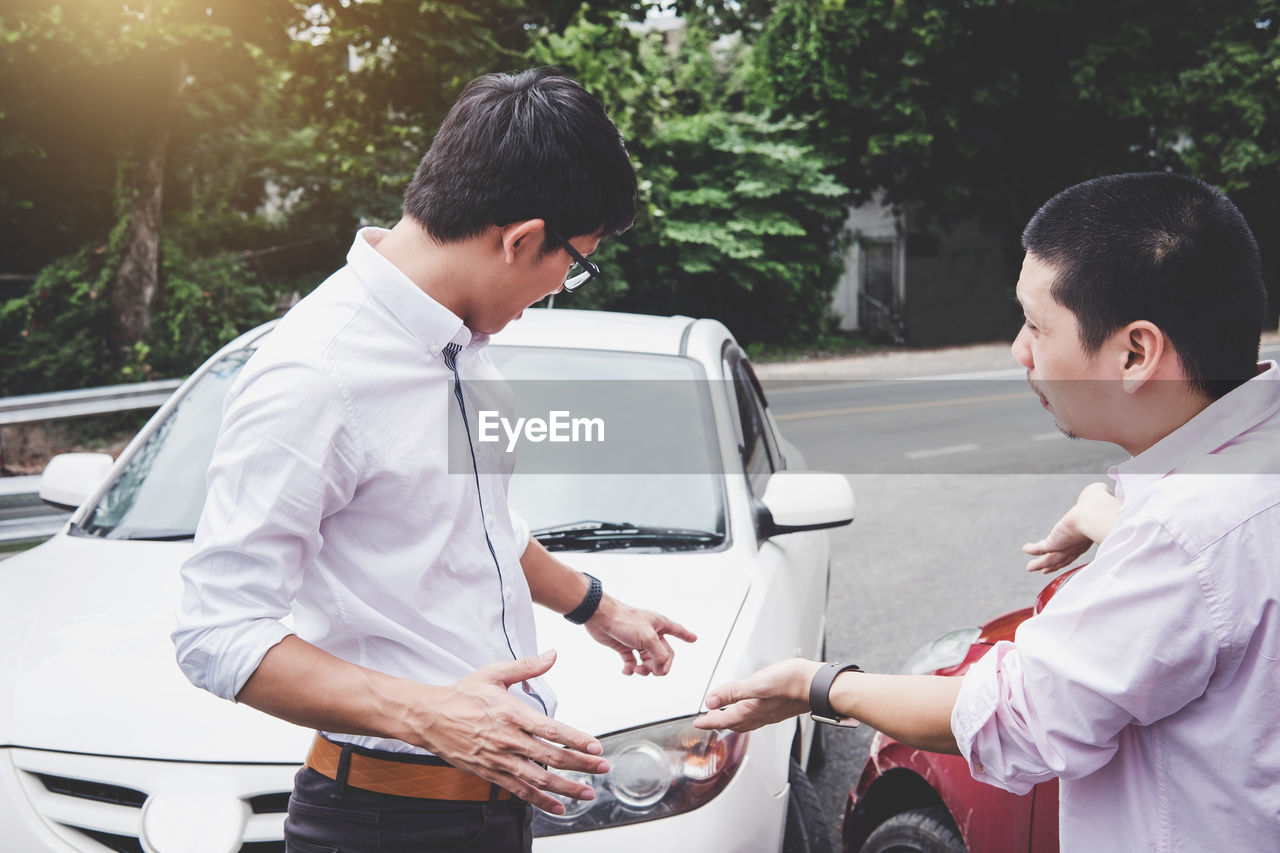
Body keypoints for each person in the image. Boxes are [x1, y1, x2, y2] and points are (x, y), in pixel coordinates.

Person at [173, 68, 696, 853]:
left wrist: (595, 605)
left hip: (495, 807)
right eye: (575, 263)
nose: (563, 287)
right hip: (383, 822)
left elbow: (473, 527)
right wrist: (431, 713)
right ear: (522, 238)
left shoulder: (462, 340)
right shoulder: (317, 373)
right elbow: (216, 632)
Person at [695, 172, 1279, 851]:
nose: (1019, 350)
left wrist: (815, 684)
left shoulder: (1182, 536)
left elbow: (1013, 715)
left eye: (1036, 323)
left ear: (1135, 351)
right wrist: (1102, 508)